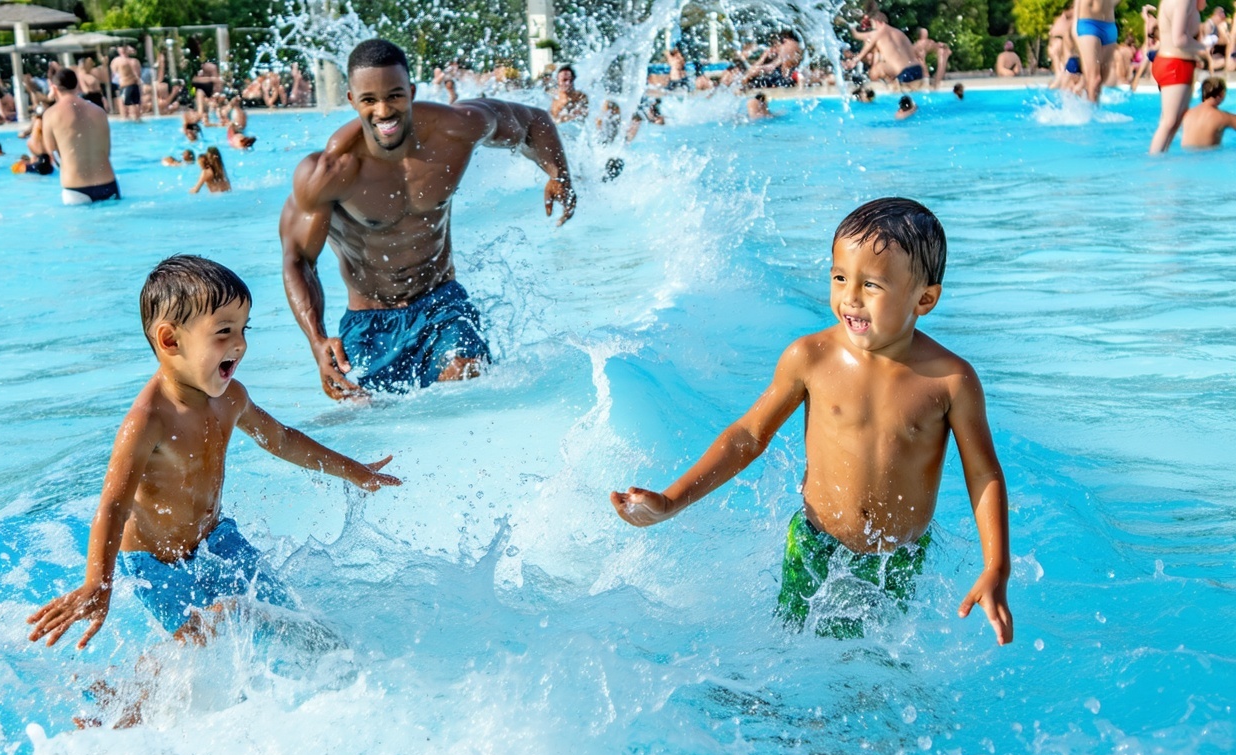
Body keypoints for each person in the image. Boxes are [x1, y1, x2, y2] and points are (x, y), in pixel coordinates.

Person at [610, 198, 1012, 644]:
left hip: (896, 560)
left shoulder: (950, 381)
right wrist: (671, 500)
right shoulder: (811, 358)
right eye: (840, 277)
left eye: (872, 286)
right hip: (815, 545)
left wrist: (996, 566)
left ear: (925, 299)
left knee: (874, 669)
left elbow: (983, 473)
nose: (850, 298)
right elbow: (747, 436)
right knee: (792, 653)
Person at [26, 256, 400, 651]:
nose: (240, 344)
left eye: (243, 329)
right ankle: (127, 706)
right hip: (158, 564)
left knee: (303, 630)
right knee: (198, 642)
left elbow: (282, 439)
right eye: (224, 331)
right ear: (170, 341)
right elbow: (113, 504)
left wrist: (355, 471)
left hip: (217, 543)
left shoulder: (231, 398)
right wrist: (97, 583)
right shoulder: (149, 419)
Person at [280, 39, 575, 398]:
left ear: (412, 91)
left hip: (442, 303)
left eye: (395, 96)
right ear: (352, 100)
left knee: (469, 379)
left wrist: (558, 175)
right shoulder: (327, 173)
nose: (384, 110)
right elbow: (298, 258)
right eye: (369, 100)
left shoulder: (456, 129)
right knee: (364, 418)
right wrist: (317, 339)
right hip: (369, 323)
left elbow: (533, 122)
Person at [43, 68, 120, 204]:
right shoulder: (99, 111)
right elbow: (106, 151)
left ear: (53, 88)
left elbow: (53, 154)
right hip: (108, 183)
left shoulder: (51, 115)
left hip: (76, 188)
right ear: (77, 85)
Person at [1150, 0, 1204, 153]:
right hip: (1173, 64)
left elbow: (1200, 8)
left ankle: (1160, 158)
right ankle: (1153, 163)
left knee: (1175, 120)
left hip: (1178, 63)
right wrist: (1205, 49)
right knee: (1169, 121)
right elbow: (1179, 40)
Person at [844, 13, 925, 91]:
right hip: (918, 69)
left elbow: (857, 37)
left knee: (875, 70)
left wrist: (854, 61)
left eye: (872, 23)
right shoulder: (898, 32)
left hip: (904, 74)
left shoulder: (878, 33)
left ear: (877, 22)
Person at [1073, 0, 1122, 102]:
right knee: (1095, 79)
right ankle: (1091, 114)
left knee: (1100, 82)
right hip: (1088, 24)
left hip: (1109, 25)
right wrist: (1074, 28)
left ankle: (1087, 105)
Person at [1180, 77, 1236, 147]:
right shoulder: (1222, 117)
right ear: (1222, 94)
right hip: (1211, 155)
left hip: (1186, 156)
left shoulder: (1187, 114)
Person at [112, 46, 143, 121]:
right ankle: (125, 122)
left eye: (125, 47)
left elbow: (138, 74)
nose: (123, 49)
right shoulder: (117, 61)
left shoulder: (135, 61)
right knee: (126, 107)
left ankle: (137, 122)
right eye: (121, 47)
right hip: (125, 85)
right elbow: (114, 75)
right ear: (118, 49)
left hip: (135, 85)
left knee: (136, 106)